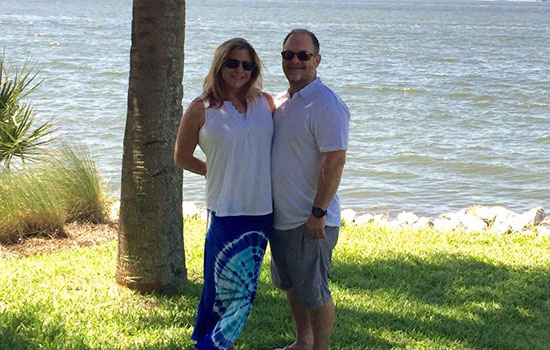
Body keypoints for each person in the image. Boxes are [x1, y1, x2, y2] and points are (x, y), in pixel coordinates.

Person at [174, 38, 275, 350]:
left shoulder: (266, 103)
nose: (240, 70)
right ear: (219, 66)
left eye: (247, 64)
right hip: (223, 209)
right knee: (219, 286)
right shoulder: (201, 108)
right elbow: (181, 156)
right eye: (232, 63)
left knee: (246, 290)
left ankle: (213, 343)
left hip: (260, 212)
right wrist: (213, 170)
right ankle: (216, 344)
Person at [270, 29, 350, 350]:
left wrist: (318, 212)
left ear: (317, 60)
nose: (295, 61)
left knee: (315, 292)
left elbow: (335, 164)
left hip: (312, 222)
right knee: (292, 284)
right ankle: (303, 341)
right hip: (282, 219)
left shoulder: (326, 104)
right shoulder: (282, 103)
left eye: (303, 56)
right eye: (289, 55)